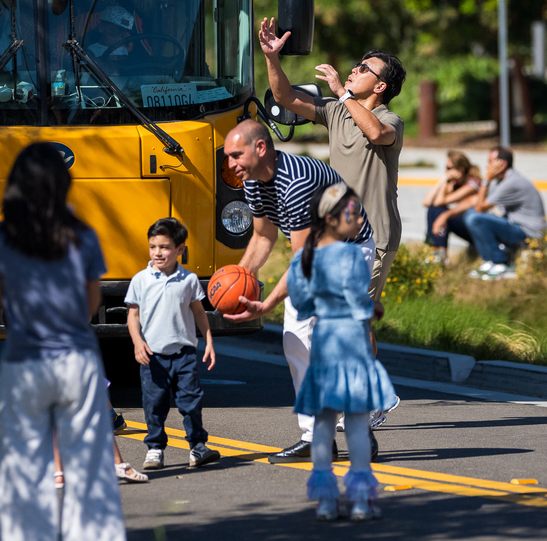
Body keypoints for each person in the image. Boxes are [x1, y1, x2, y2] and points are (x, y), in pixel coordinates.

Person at [0, 143, 125, 541]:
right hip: (78, 359)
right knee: (90, 470)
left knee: (24, 471)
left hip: (23, 362)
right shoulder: (82, 234)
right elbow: (92, 302)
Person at [220, 118, 361, 463]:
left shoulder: (295, 182)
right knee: (296, 341)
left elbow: (303, 260)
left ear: (261, 148)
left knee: (318, 338)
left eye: (236, 155)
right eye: (228, 157)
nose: (231, 164)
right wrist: (237, 283)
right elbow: (263, 236)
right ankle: (319, 438)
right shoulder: (252, 179)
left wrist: (265, 303)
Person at [258, 18, 406, 301]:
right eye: (357, 64)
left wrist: (342, 92)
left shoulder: (391, 120)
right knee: (330, 316)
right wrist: (271, 57)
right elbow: (284, 96)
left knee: (353, 321)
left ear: (380, 87)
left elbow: (375, 132)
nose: (354, 69)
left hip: (373, 237)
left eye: (364, 69)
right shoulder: (335, 111)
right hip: (335, 232)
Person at [290, 183, 396, 521]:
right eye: (353, 212)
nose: (359, 217)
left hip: (323, 349)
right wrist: (372, 308)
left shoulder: (305, 258)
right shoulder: (352, 255)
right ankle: (362, 500)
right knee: (355, 424)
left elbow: (302, 304)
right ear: (332, 219)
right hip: (351, 348)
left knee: (322, 425)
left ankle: (325, 501)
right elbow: (358, 301)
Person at [126, 217, 219, 471]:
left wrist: (208, 341)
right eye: (153, 246)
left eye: (164, 247)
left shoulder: (188, 280)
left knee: (191, 402)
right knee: (154, 404)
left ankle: (197, 447)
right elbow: (132, 316)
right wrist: (137, 342)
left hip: (184, 354)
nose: (158, 252)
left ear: (180, 249)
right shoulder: (140, 280)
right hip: (152, 356)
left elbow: (199, 312)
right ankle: (155, 448)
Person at [433, 146, 547, 280]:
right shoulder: (499, 181)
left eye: (490, 162)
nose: (487, 166)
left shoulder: (511, 182)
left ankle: (500, 263)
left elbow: (480, 208)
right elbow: (474, 201)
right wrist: (445, 215)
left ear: (502, 164)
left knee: (475, 218)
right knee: (469, 215)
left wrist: (486, 178)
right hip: (515, 227)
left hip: (528, 233)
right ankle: (489, 262)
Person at [422, 150, 482, 264]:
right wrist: (442, 181)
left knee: (439, 211)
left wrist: (445, 179)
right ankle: (436, 252)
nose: (446, 171)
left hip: (476, 228)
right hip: (465, 224)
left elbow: (439, 202)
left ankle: (440, 255)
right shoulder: (454, 184)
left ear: (460, 170)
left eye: (449, 168)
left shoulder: (472, 185)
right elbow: (426, 202)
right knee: (434, 210)